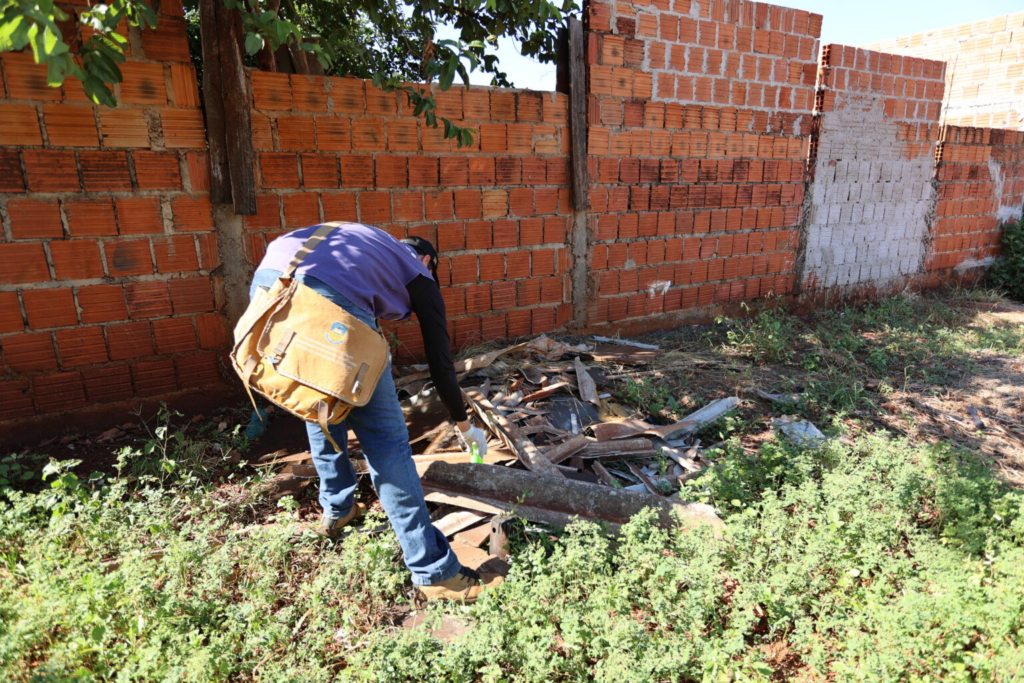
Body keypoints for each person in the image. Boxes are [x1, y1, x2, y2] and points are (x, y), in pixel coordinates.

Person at [249, 222, 502, 604]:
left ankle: (338, 510)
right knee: (386, 442)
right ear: (428, 260)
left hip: (270, 282)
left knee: (320, 402)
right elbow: (441, 365)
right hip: (327, 299)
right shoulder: (418, 272)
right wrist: (465, 424)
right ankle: (434, 572)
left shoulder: (370, 246)